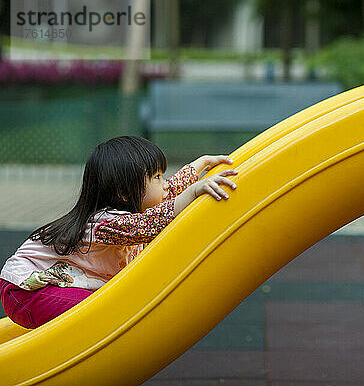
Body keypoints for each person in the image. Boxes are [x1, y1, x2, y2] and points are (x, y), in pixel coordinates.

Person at [0, 135, 238, 329]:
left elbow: (166, 193)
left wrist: (200, 164)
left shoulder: (130, 210)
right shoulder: (106, 224)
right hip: (26, 292)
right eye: (156, 177)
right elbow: (154, 220)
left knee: (105, 308)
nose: (164, 183)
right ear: (124, 193)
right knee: (102, 315)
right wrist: (194, 191)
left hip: (45, 289)